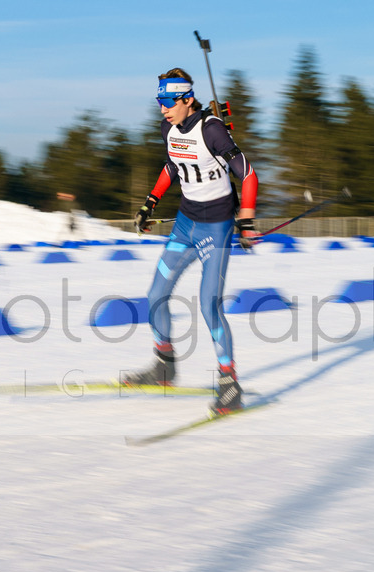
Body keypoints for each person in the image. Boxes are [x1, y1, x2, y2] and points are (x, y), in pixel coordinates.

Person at [121, 67, 260, 416]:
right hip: (185, 225)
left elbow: (249, 173)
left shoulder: (212, 130)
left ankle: (230, 385)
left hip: (215, 228)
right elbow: (172, 165)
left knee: (208, 304)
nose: (163, 108)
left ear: (186, 99)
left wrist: (246, 219)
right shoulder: (168, 128)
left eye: (168, 101)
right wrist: (150, 202)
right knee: (155, 294)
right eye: (159, 101)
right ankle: (164, 366)